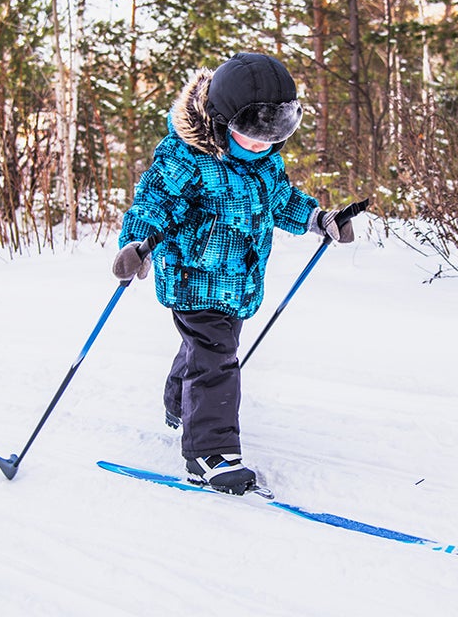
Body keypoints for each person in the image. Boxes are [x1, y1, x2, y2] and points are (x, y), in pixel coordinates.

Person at [112, 53, 355, 495]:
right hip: (194, 280)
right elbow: (152, 204)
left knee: (204, 351)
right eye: (251, 137)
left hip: (239, 283)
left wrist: (320, 219)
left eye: (273, 139)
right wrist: (136, 244)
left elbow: (281, 199)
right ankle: (210, 453)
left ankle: (177, 404)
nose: (262, 148)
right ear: (221, 121)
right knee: (216, 360)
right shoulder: (185, 159)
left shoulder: (264, 161)